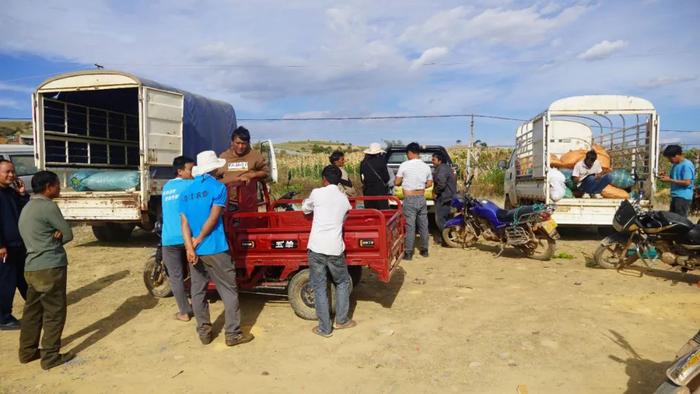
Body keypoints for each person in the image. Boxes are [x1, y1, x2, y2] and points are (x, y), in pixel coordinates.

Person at [180, 150, 253, 347]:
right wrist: (200, 239)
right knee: (228, 290)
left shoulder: (185, 193)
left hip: (194, 251)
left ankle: (204, 332)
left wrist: (190, 247)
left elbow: (184, 224)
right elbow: (213, 219)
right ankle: (233, 334)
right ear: (215, 167)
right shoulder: (218, 188)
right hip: (215, 247)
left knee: (198, 291)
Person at [17, 170, 74, 370]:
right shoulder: (48, 207)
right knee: (54, 312)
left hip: (31, 267)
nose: (59, 188)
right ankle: (50, 356)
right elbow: (67, 234)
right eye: (57, 184)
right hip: (50, 266)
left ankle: (27, 351)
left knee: (32, 311)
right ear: (49, 187)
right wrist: (56, 235)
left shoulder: (28, 206)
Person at [302, 165, 356, 337]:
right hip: (334, 248)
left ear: (323, 179)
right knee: (342, 282)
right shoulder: (344, 199)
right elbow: (347, 214)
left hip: (316, 247)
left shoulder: (317, 193)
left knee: (319, 287)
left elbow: (305, 208)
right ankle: (341, 320)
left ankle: (324, 328)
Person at [161, 156, 195, 322]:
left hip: (168, 239)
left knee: (175, 277)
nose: (193, 172)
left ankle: (184, 312)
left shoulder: (167, 186)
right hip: (188, 237)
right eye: (190, 169)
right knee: (196, 273)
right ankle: (198, 306)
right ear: (180, 171)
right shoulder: (191, 184)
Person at [0, 159, 29, 331]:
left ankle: (36, 305)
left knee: (24, 278)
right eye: (7, 172)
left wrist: (22, 194)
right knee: (6, 282)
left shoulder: (11, 192)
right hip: (5, 248)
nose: (11, 175)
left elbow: (24, 212)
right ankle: (3, 317)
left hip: (18, 244)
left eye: (13, 171)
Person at [217, 126, 269, 211]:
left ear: (248, 143)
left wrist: (252, 175)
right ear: (232, 142)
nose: (240, 146)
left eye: (244, 143)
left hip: (249, 203)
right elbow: (216, 179)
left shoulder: (255, 156)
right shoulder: (224, 157)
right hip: (228, 203)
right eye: (238, 143)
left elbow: (266, 172)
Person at [396, 142, 433, 260]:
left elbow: (397, 182)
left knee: (410, 226)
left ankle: (408, 252)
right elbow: (429, 183)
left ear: (410, 153)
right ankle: (424, 250)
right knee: (423, 225)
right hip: (421, 198)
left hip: (409, 198)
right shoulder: (426, 166)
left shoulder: (404, 165)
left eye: (407, 153)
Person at [659, 144, 695, 217]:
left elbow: (687, 182)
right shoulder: (675, 164)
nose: (669, 160)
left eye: (670, 158)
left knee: (680, 222)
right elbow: (674, 178)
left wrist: (669, 179)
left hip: (683, 197)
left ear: (676, 155)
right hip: (676, 196)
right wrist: (665, 177)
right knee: (672, 220)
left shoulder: (687, 165)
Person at [360, 143, 391, 210]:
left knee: (370, 214)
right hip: (380, 192)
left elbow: (362, 179)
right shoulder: (381, 161)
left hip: (368, 193)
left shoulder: (363, 163)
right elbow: (386, 178)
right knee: (382, 214)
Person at [431, 152, 456, 232]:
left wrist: (435, 192)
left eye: (434, 160)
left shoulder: (442, 169)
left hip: (444, 198)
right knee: (446, 218)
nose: (432, 162)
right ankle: (448, 238)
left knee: (440, 219)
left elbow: (441, 184)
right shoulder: (446, 168)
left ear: (440, 160)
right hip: (448, 197)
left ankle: (445, 239)